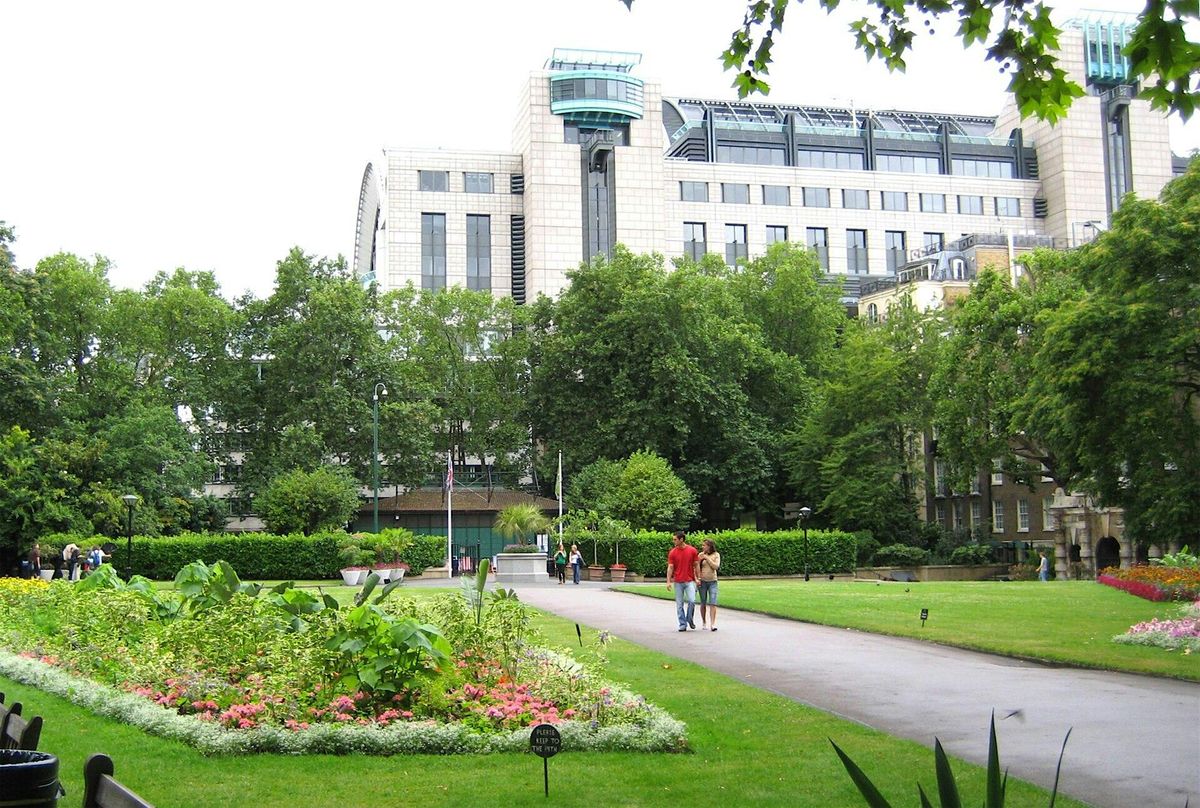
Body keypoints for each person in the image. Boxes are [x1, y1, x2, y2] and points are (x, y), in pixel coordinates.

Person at [665, 531, 700, 631]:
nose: (673, 541)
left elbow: (696, 565)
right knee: (679, 604)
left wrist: (698, 578)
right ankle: (682, 624)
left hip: (689, 580)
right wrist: (668, 581)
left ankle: (689, 618)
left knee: (692, 601)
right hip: (678, 581)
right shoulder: (673, 552)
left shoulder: (692, 550)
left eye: (675, 539)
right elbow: (670, 567)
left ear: (681, 539)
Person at [697, 538, 721, 631]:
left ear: (709, 546)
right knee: (703, 602)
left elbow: (716, 566)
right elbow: (696, 567)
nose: (702, 547)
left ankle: (713, 624)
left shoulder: (716, 555)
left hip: (713, 581)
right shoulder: (700, 555)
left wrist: (706, 558)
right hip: (702, 581)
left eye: (704, 545)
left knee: (713, 602)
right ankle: (704, 622)